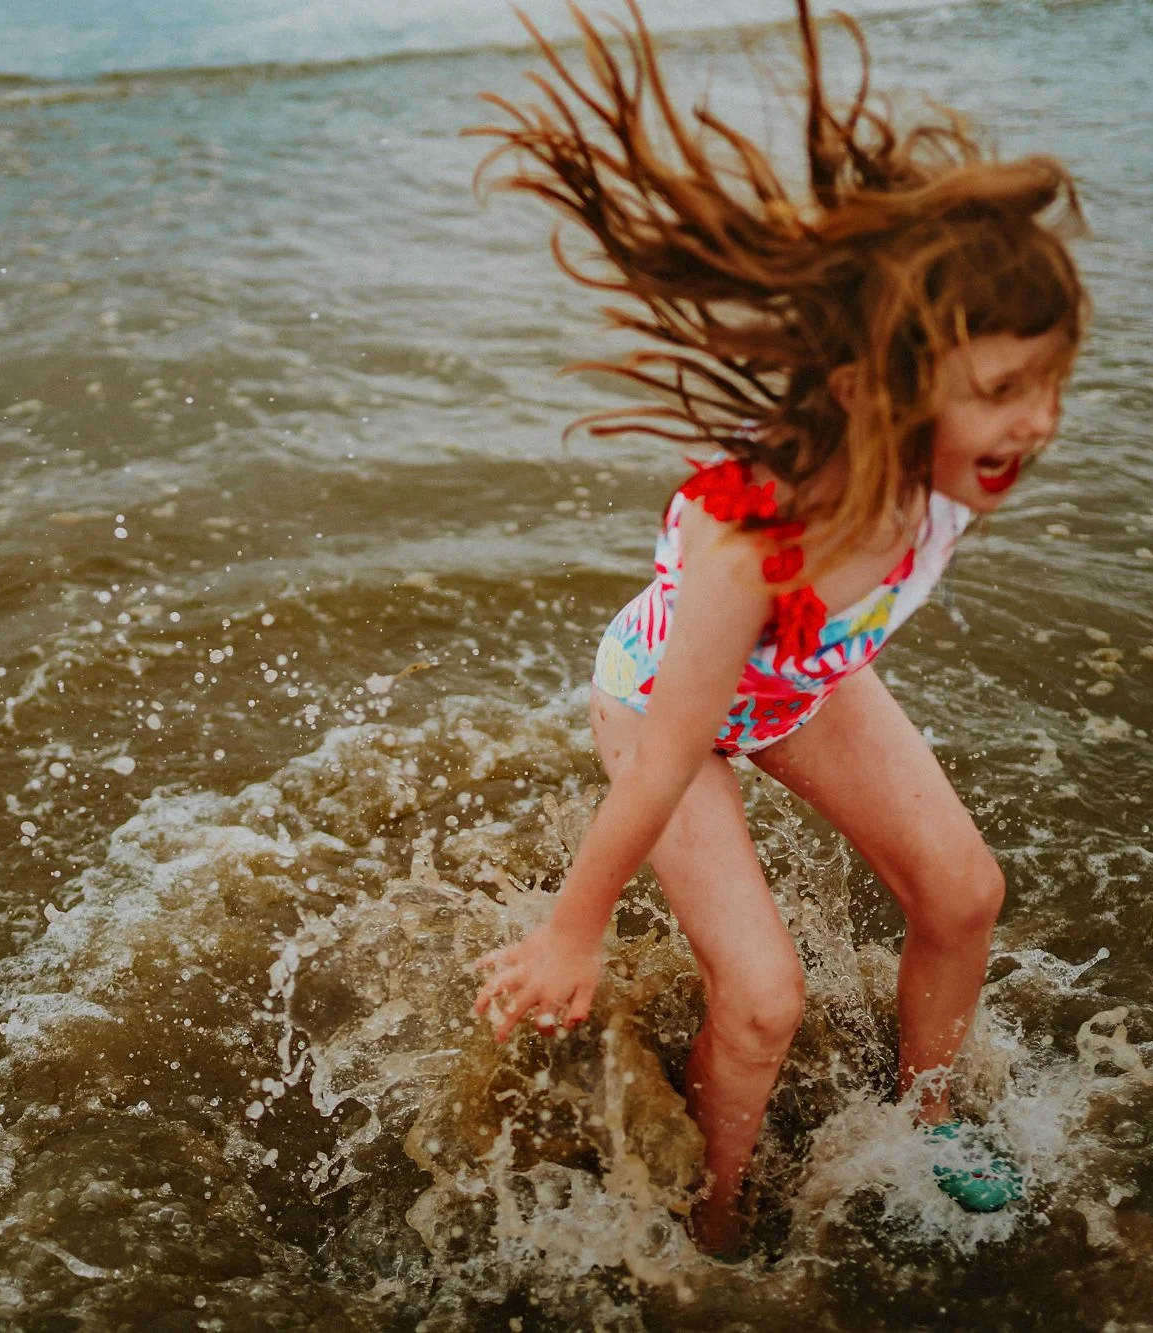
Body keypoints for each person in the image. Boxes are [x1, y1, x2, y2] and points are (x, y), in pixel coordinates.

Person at [466, 0, 1088, 1252]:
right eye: (1001, 390)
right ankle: (716, 1216)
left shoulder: (944, 473)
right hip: (667, 707)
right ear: (875, 392)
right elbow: (658, 762)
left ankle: (924, 1121)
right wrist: (571, 930)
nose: (1034, 422)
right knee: (762, 1000)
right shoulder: (750, 541)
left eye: (1049, 381)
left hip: (800, 680)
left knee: (963, 893)